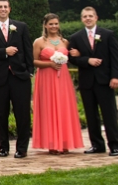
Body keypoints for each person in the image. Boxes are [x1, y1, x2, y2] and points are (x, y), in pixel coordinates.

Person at [0, 0, 34, 159]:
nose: (3, 9)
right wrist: (4, 52)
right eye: (0, 7)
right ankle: (3, 147)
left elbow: (28, 50)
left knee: (22, 114)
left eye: (5, 7)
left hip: (20, 77)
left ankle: (22, 148)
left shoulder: (21, 27)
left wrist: (29, 71)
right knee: (2, 114)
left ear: (9, 9)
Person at [67, 7, 118, 156]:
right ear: (81, 19)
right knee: (91, 116)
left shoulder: (108, 35)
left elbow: (116, 58)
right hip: (87, 83)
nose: (88, 18)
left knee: (109, 114)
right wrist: (87, 60)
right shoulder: (76, 37)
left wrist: (116, 76)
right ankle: (97, 145)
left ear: (96, 17)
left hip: (105, 81)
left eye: (90, 16)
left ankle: (115, 145)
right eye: (85, 16)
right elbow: (72, 58)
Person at [32, 14, 84, 154]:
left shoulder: (65, 42)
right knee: (49, 107)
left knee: (63, 107)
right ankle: (52, 143)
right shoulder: (39, 42)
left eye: (56, 24)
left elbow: (73, 57)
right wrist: (50, 64)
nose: (54, 26)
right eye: (51, 24)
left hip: (63, 79)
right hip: (46, 78)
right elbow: (34, 61)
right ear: (45, 25)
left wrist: (78, 53)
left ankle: (65, 141)